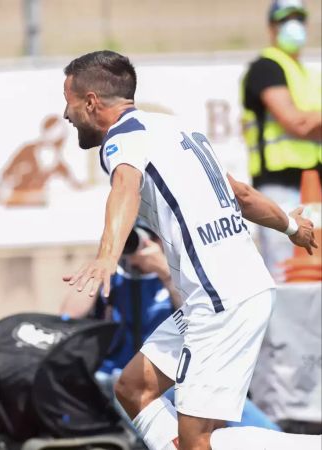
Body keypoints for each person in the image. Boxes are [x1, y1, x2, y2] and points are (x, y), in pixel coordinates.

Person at [60, 50, 317, 450]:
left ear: (91, 102)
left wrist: (107, 256)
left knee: (199, 441)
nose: (65, 115)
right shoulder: (177, 129)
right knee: (133, 389)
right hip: (224, 294)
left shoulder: (119, 143)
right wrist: (289, 226)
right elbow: (242, 195)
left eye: (69, 103)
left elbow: (124, 187)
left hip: (221, 300)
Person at [60, 225, 281, 433]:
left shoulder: (180, 274)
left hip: (171, 374)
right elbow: (68, 315)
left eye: (150, 236)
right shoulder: (115, 276)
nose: (139, 243)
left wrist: (164, 272)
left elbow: (197, 317)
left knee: (233, 409)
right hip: (120, 376)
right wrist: (103, 260)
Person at [241, 0, 322, 280]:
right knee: (285, 270)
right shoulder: (266, 68)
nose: (294, 25)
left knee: (314, 271)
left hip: (312, 187)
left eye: (299, 18)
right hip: (279, 188)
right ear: (271, 27)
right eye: (286, 19)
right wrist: (310, 121)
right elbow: (296, 122)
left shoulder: (307, 73)